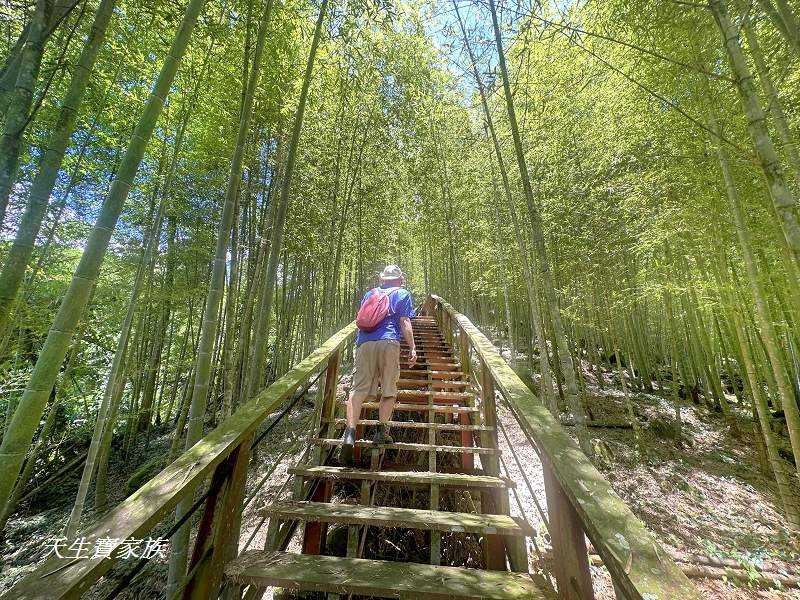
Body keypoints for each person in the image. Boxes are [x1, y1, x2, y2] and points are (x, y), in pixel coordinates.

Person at [340, 265, 416, 465]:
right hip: (389, 342)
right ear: (399, 280)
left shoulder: (370, 293)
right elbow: (405, 322)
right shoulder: (402, 293)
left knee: (358, 390)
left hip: (364, 344)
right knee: (389, 389)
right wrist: (413, 347)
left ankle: (349, 434)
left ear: (383, 279)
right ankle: (381, 432)